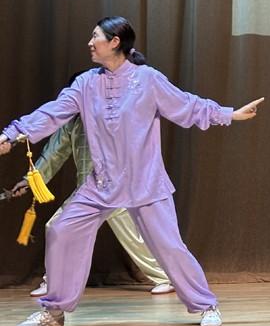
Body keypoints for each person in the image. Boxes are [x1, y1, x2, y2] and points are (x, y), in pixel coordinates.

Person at [0, 16, 264, 326]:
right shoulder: (86, 84)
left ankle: (206, 304)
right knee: (61, 230)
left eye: (95, 36)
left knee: (169, 246)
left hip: (145, 182)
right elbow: (52, 112)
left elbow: (187, 105)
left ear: (115, 42)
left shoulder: (148, 79)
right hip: (102, 183)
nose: (89, 43)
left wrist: (229, 114)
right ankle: (54, 311)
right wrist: (12, 134)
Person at [11, 78, 174, 296]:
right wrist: (30, 181)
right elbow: (53, 154)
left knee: (136, 237)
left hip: (120, 187)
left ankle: (166, 276)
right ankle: (54, 282)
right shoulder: (71, 122)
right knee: (59, 227)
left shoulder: (116, 115)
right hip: (90, 190)